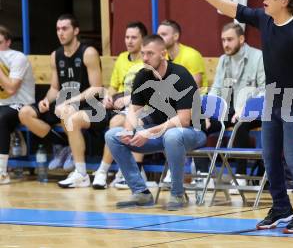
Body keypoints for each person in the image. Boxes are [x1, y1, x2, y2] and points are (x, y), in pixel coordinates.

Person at [185, 0, 293, 234]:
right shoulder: (265, 20)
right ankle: (281, 207)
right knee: (270, 157)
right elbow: (234, 8)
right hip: (272, 100)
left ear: (285, 1)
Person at [105, 34, 207, 210]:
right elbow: (133, 110)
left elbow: (183, 120)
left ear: (163, 53)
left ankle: (177, 194)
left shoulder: (180, 75)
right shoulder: (142, 76)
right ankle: (141, 193)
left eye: (150, 53)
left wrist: (148, 132)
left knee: (172, 135)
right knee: (113, 135)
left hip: (192, 132)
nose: (145, 58)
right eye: (143, 53)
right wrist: (129, 131)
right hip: (161, 132)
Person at [19, 14, 104, 188]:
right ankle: (62, 144)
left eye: (65, 28)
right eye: (58, 29)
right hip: (62, 102)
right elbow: (55, 88)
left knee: (66, 111)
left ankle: (80, 173)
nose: (60, 32)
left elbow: (96, 88)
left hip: (86, 103)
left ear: (76, 30)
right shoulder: (55, 55)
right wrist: (45, 100)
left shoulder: (88, 53)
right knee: (25, 113)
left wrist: (69, 102)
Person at [196, 22, 265, 190]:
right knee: (199, 121)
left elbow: (265, 90)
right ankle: (203, 174)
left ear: (241, 39)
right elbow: (216, 90)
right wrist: (205, 111)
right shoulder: (223, 60)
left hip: (256, 109)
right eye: (223, 40)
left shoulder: (258, 57)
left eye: (230, 39)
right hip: (230, 108)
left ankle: (241, 176)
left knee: (240, 124)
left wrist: (246, 108)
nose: (226, 44)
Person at [92, 21, 148, 189]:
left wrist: (130, 98)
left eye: (134, 37)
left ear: (143, 39)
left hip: (142, 106)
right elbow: (113, 86)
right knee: (113, 123)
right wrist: (108, 96)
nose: (129, 41)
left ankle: (116, 170)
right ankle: (104, 171)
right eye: (126, 37)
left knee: (121, 124)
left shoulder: (149, 59)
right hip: (120, 105)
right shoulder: (122, 59)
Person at [0, 25, 35, 184]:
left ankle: (2, 172)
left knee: (1, 118)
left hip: (21, 104)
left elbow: (11, 88)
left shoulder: (18, 57)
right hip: (2, 104)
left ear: (8, 42)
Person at [157, 19, 208, 89]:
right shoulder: (162, 57)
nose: (159, 38)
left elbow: (195, 87)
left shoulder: (191, 55)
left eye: (163, 34)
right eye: (158, 35)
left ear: (176, 36)